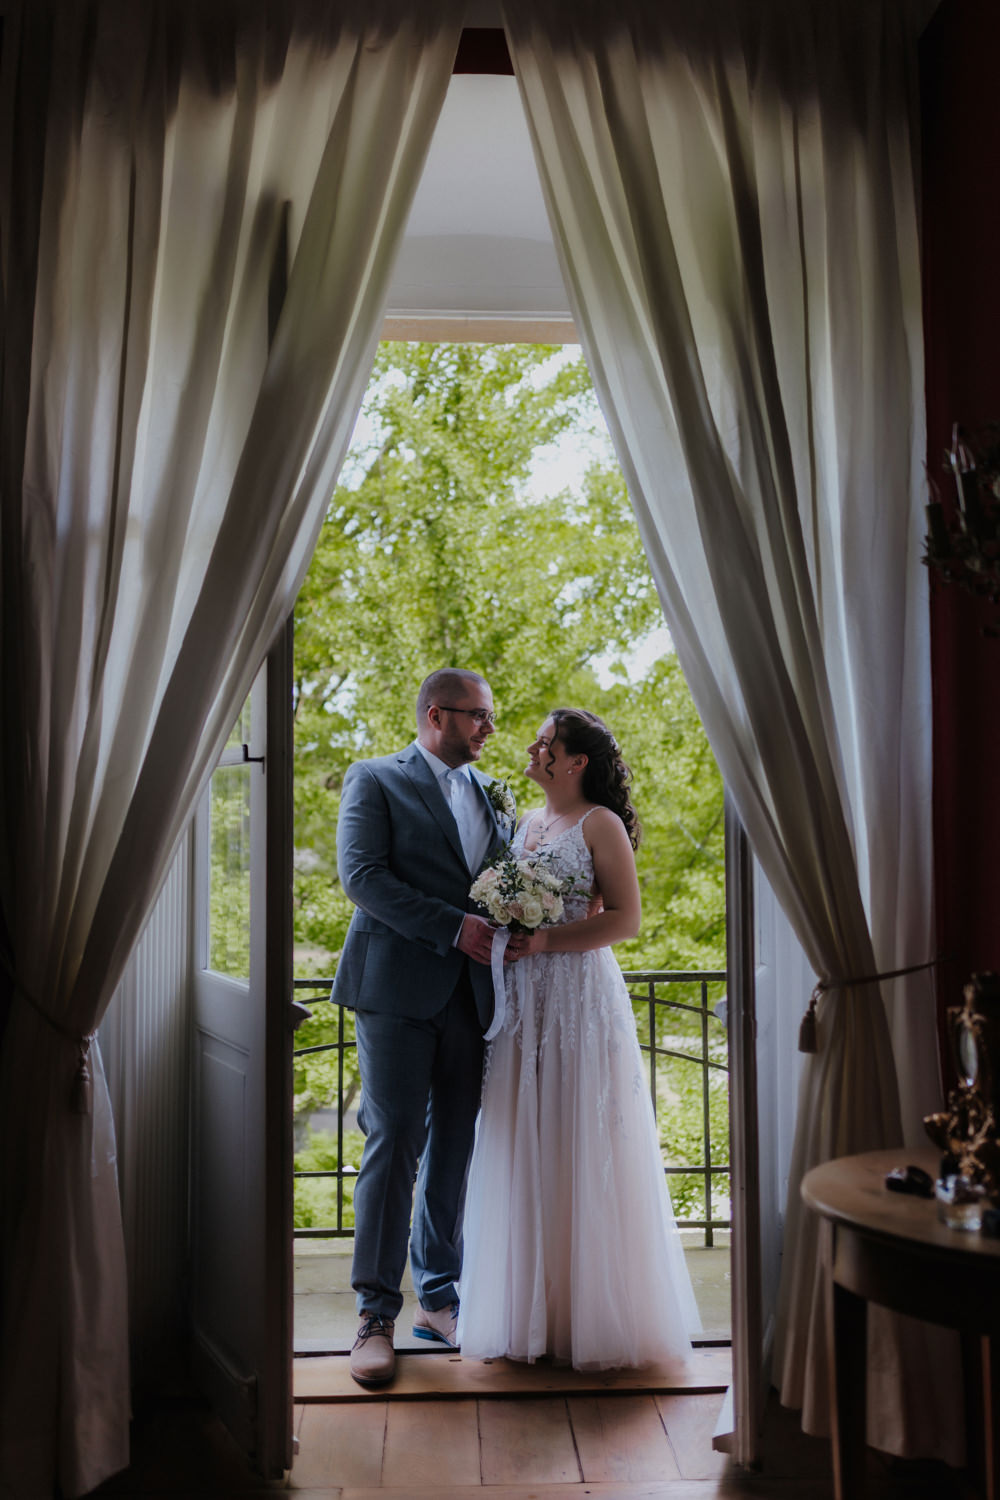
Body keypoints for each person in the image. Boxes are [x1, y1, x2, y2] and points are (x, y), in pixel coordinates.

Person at [458, 708, 700, 1369]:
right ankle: (529, 1315)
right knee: (524, 1136)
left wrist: (546, 941)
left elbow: (626, 920)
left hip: (578, 996)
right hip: (523, 999)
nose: (531, 748)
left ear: (575, 762)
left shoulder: (600, 823)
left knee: (579, 1134)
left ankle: (587, 1318)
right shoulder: (527, 823)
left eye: (545, 742)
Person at [332, 668, 515, 1387]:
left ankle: (438, 1300)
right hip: (395, 993)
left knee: (455, 1148)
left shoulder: (493, 792)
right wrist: (454, 928)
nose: (489, 728)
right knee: (395, 1141)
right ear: (437, 714)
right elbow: (362, 877)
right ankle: (374, 1314)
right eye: (478, 715)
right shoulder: (376, 778)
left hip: (473, 996)